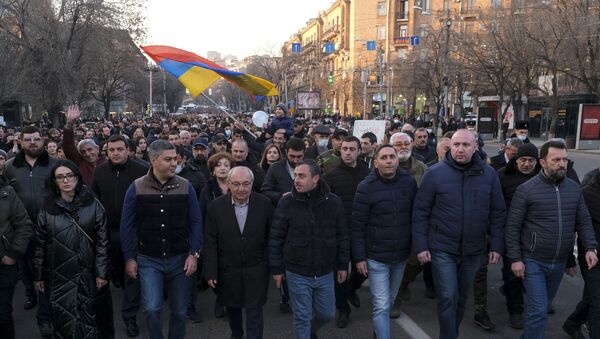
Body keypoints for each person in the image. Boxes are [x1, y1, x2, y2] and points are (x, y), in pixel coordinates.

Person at [412, 129, 506, 339]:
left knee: (462, 298)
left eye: (465, 145)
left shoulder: (489, 175)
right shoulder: (434, 173)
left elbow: (498, 212)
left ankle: (450, 333)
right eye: (456, 145)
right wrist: (421, 245)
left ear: (475, 148)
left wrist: (497, 245)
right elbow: (420, 212)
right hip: (442, 248)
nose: (460, 149)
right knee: (447, 296)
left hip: (474, 250)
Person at [505, 140, 598, 339]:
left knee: (542, 309)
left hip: (558, 263)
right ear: (543, 162)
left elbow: (583, 222)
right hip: (532, 262)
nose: (562, 164)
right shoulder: (527, 189)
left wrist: (590, 248)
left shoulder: (574, 189)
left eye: (565, 159)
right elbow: (512, 227)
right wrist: (515, 259)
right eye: (556, 160)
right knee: (538, 311)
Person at [120, 140, 203, 339]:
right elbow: (126, 225)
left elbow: (196, 222)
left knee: (180, 311)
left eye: (175, 158)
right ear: (154, 160)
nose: (174, 163)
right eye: (168, 159)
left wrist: (194, 254)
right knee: (151, 308)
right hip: (148, 260)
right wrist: (130, 257)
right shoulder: (136, 187)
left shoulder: (186, 186)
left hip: (180, 259)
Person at [269, 159, 349, 339]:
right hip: (297, 270)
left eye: (302, 176)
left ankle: (309, 332)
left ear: (315, 178)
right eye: (295, 175)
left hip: (325, 271)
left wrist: (343, 265)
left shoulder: (333, 202)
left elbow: (343, 235)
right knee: (302, 317)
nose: (296, 180)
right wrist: (276, 268)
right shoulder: (286, 202)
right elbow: (276, 237)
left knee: (327, 313)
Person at [33, 160, 110, 339]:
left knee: (89, 320)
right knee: (63, 320)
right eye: (60, 177)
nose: (66, 180)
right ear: (54, 181)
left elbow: (102, 242)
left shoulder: (93, 205)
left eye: (69, 176)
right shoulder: (46, 208)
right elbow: (40, 244)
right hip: (59, 274)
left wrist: (101, 272)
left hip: (87, 272)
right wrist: (38, 275)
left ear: (77, 178)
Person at [352, 145, 417, 338]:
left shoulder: (409, 183)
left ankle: (378, 332)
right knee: (381, 305)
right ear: (376, 162)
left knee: (388, 301)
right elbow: (357, 225)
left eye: (392, 157)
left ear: (397, 160)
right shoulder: (365, 187)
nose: (389, 160)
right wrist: (360, 257)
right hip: (376, 256)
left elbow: (417, 216)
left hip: (401, 255)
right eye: (384, 157)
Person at [204, 167, 274, 339]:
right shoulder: (215, 207)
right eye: (236, 184)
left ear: (252, 184)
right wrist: (210, 271)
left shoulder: (265, 204)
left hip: (256, 269)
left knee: (254, 312)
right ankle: (237, 334)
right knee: (232, 308)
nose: (241, 189)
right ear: (228, 184)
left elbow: (272, 237)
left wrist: (275, 267)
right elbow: (210, 242)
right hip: (228, 270)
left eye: (245, 184)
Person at [3, 125, 58, 337]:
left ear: (43, 141)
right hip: (21, 231)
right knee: (26, 269)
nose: (32, 143)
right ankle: (30, 294)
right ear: (20, 142)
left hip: (49, 229)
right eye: (28, 139)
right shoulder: (9, 167)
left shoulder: (55, 165)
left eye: (36, 139)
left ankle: (45, 318)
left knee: (45, 272)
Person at [91, 134, 148, 337]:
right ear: (106, 151)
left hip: (134, 230)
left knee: (132, 274)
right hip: (107, 231)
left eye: (119, 149)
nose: (115, 153)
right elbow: (94, 199)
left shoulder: (142, 170)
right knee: (110, 272)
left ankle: (129, 318)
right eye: (111, 150)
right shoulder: (99, 172)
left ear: (128, 150)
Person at [322, 136, 370, 328]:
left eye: (352, 149)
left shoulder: (369, 174)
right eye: (344, 149)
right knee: (339, 274)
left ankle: (352, 288)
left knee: (364, 271)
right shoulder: (331, 177)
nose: (348, 152)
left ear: (359, 151)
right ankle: (343, 308)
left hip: (363, 232)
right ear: (340, 151)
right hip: (339, 234)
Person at [496, 143, 540, 329]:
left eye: (531, 161)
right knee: (512, 272)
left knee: (533, 271)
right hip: (510, 232)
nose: (527, 164)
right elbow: (495, 206)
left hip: (534, 234)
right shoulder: (503, 175)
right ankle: (516, 310)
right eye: (523, 160)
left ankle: (539, 300)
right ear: (516, 161)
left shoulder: (542, 178)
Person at [563, 167, 600, 338]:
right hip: (592, 258)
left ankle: (573, 323)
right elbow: (571, 228)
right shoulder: (586, 194)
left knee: (592, 297)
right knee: (598, 303)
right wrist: (569, 259)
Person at [197, 151, 234, 319]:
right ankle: (220, 298)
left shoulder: (238, 185)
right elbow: (201, 214)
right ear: (212, 170)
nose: (223, 168)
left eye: (226, 165)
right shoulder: (207, 189)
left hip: (236, 236)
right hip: (214, 237)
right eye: (218, 165)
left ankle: (229, 301)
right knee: (216, 271)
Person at [0, 175, 34, 339]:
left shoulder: (7, 192)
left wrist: (12, 255)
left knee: (2, 315)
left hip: (4, 265)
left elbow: (24, 225)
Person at [63, 105, 106, 185]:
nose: (87, 154)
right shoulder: (80, 163)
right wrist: (69, 123)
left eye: (90, 149)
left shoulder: (107, 162)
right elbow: (68, 146)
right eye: (83, 152)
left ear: (97, 148)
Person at [261, 137, 305, 206]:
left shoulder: (310, 168)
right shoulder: (275, 168)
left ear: (304, 153)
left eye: (299, 156)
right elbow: (265, 192)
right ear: (286, 152)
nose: (295, 160)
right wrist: (281, 196)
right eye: (292, 156)